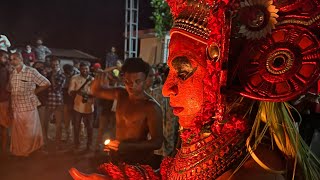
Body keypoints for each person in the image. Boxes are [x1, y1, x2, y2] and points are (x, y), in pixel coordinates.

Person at [70, 0, 320, 179]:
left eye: (183, 72)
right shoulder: (204, 145)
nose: (167, 89)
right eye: (169, 73)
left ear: (224, 77)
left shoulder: (253, 170)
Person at [89, 58, 163, 168]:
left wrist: (126, 146)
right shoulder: (121, 94)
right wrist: (100, 75)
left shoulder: (151, 107)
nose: (131, 85)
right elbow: (96, 91)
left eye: (137, 81)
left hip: (138, 160)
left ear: (146, 80)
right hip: (118, 154)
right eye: (127, 82)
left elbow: (157, 142)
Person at [9, 51, 50, 157]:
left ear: (20, 59)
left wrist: (34, 92)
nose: (12, 61)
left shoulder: (31, 71)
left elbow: (46, 83)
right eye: (11, 59)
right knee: (19, 131)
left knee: (29, 130)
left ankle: (32, 150)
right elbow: (9, 88)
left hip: (28, 106)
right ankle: (20, 151)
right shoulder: (12, 72)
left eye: (14, 59)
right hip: (16, 106)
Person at [68, 62, 94, 151]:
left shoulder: (93, 80)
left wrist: (90, 95)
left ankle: (89, 144)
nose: (85, 70)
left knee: (90, 127)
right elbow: (70, 91)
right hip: (77, 106)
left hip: (90, 106)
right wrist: (79, 93)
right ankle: (76, 144)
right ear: (80, 69)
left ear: (89, 69)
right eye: (83, 69)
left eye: (86, 69)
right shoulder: (74, 78)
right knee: (76, 126)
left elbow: (95, 93)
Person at [46, 56, 66, 150]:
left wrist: (52, 77)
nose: (54, 66)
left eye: (56, 64)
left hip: (58, 102)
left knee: (58, 124)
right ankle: (46, 140)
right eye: (53, 65)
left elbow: (56, 89)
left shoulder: (62, 75)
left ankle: (58, 142)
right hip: (48, 101)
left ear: (59, 65)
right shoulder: (48, 74)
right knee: (45, 123)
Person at [0, 50, 11, 155]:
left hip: (3, 102)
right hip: (3, 101)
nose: (6, 60)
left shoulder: (6, 70)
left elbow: (9, 86)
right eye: (4, 57)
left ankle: (3, 151)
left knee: (4, 127)